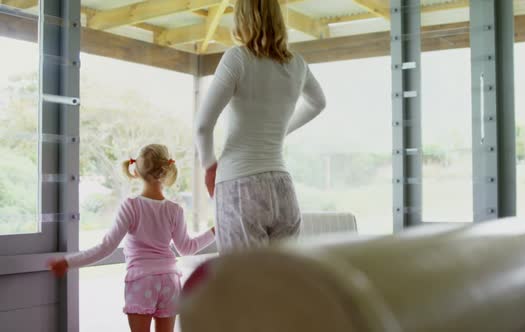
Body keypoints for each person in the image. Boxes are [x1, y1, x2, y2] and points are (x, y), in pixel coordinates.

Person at [196, 0, 327, 253]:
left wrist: (209, 165)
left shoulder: (237, 57)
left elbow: (203, 125)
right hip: (282, 188)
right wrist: (281, 130)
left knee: (244, 285)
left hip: (238, 185)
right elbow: (318, 103)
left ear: (242, 18)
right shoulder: (297, 63)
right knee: (279, 284)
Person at [48, 144, 215, 332]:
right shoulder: (174, 210)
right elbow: (187, 248)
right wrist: (214, 231)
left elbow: (106, 247)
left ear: (135, 171)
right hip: (170, 279)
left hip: (142, 280)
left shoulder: (131, 206)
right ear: (166, 171)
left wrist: (69, 262)